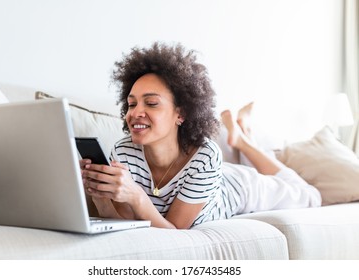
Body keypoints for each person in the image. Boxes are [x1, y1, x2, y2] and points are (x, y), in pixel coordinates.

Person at [81, 42, 321, 229]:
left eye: (151, 103)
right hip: (204, 180)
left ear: (181, 114)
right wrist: (99, 194)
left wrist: (135, 195)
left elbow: (174, 230)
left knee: (311, 197)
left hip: (235, 187)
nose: (136, 113)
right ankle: (240, 134)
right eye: (131, 104)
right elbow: (125, 221)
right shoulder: (124, 152)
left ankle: (243, 141)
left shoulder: (205, 156)